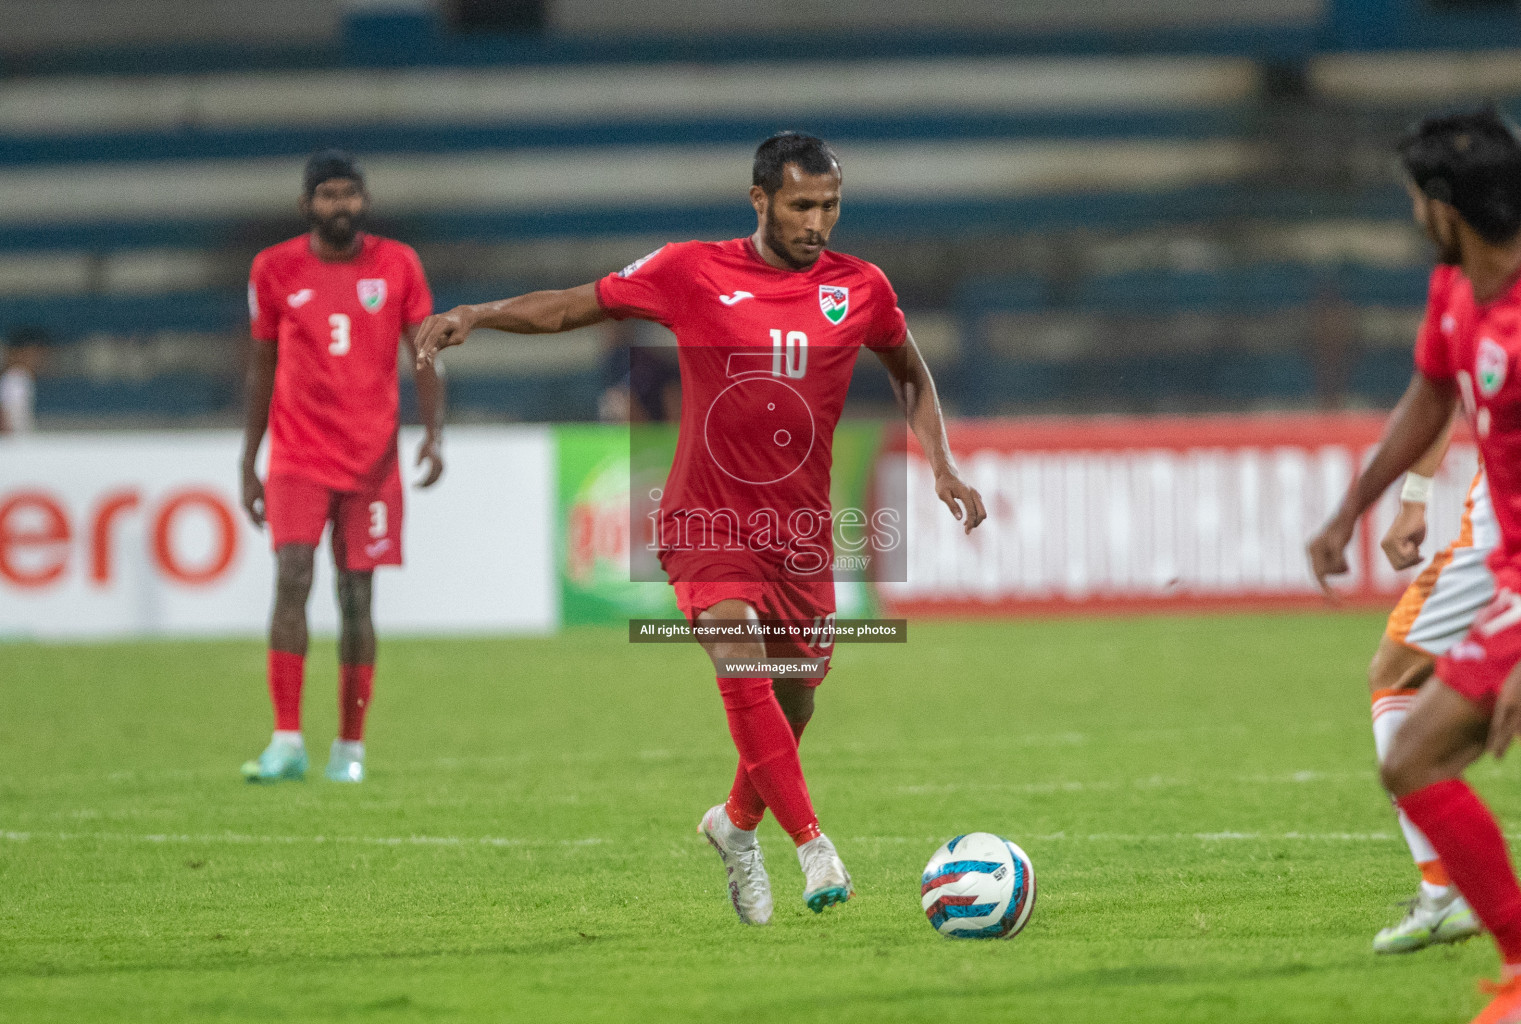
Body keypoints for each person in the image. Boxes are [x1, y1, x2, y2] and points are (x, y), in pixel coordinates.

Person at [413, 131, 986, 924]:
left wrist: (943, 464)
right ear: (759, 201)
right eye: (800, 205)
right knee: (733, 638)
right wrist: (477, 314)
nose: (818, 222)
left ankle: (734, 825)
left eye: (830, 205)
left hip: (803, 536)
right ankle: (812, 844)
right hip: (706, 519)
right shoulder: (691, 269)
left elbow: (909, 372)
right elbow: (574, 306)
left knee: (796, 705)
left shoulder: (861, 288)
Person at [1309, 108, 1521, 1024]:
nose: (1410, 211)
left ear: (1444, 207)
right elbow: (1429, 392)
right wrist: (1353, 508)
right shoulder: (1456, 289)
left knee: (1417, 746)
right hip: (1515, 576)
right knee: (1413, 760)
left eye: (1414, 196)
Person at [239, 150, 445, 785]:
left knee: (357, 598)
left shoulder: (398, 263)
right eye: (327, 195)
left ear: (365, 201)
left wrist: (434, 433)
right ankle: (286, 739)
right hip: (297, 456)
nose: (340, 206)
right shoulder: (273, 269)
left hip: (372, 460)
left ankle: (349, 749)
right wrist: (249, 459)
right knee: (292, 579)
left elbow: (426, 350)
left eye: (349, 194)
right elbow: (262, 364)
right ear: (306, 205)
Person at [1368, 415, 1496, 953]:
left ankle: (1442, 892)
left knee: (1393, 674)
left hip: (1503, 537)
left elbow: (1440, 395)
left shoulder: (1490, 329)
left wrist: (1411, 501)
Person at [0, 325, 49, 434]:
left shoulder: (20, 378)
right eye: (32, 354)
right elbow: (5, 421)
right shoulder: (16, 378)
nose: (37, 360)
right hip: (14, 445)